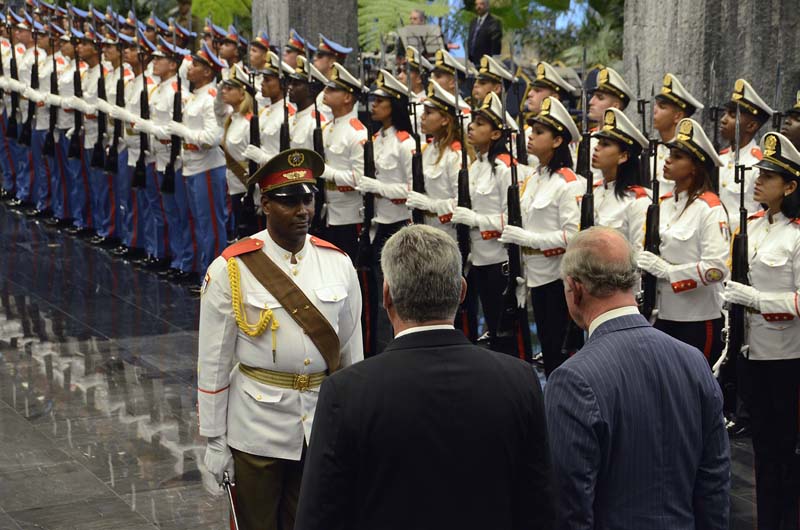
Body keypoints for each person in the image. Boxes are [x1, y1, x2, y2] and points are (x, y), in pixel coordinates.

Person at [295, 224, 553, 530]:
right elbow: (539, 508)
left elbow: (319, 517)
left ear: (386, 295)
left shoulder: (345, 392)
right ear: (462, 291)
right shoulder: (519, 380)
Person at [198, 147, 363, 530]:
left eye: (308, 199)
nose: (303, 210)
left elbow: (352, 353)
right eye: (290, 202)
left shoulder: (338, 263)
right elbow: (213, 361)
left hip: (320, 422)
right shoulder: (231, 268)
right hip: (256, 422)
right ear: (265, 204)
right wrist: (214, 440)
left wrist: (354, 427)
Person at [546, 226, 730, 530]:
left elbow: (569, 505)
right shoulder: (693, 360)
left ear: (575, 288)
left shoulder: (573, 378)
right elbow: (714, 483)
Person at [722, 132, 800, 530]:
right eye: (760, 173)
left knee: (786, 450)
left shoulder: (797, 235)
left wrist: (757, 300)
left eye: (770, 175)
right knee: (761, 450)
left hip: (788, 356)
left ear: (790, 186)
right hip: (752, 352)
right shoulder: (751, 226)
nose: (759, 180)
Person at [498, 96, 580, 376]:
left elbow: (573, 236)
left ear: (558, 141)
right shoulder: (534, 178)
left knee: (558, 349)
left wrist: (528, 239)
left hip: (557, 278)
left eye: (539, 132)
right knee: (542, 346)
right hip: (531, 274)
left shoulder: (568, 183)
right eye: (531, 131)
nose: (530, 137)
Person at [637, 118, 729, 366]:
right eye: (670, 154)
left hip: (696, 318)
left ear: (695, 167)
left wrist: (669, 272)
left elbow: (717, 269)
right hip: (660, 314)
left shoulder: (710, 208)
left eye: (678, 157)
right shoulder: (664, 203)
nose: (668, 160)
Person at [356, 69, 415, 353]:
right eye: (373, 100)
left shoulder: (406, 143)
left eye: (381, 101)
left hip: (398, 223)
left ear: (394, 106)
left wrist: (379, 188)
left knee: (393, 297)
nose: (374, 105)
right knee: (375, 296)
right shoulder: (377, 138)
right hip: (375, 225)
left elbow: (412, 192)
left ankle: (392, 350)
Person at [452, 92, 516, 345]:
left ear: (496, 134)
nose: (472, 127)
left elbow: (512, 219)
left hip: (499, 258)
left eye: (480, 124)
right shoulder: (476, 166)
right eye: (473, 122)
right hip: (476, 256)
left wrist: (476, 220)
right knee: (488, 326)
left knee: (503, 331)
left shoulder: (504, 168)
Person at [165, 41, 228, 292]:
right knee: (198, 223)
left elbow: (212, 139)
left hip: (207, 168)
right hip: (191, 166)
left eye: (197, 65)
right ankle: (202, 272)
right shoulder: (195, 95)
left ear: (208, 72)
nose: (190, 68)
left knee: (211, 226)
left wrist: (182, 131)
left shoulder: (211, 98)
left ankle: (214, 281)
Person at [316, 62, 367, 260]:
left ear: (347, 97)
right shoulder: (327, 128)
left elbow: (360, 179)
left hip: (349, 215)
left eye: (333, 89)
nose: (326, 92)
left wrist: (328, 173)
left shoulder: (356, 132)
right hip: (329, 213)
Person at [406, 80, 463, 241]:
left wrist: (430, 205)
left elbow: (462, 203)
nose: (422, 117)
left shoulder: (455, 155)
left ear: (445, 120)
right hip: (424, 230)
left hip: (447, 234)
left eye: (429, 113)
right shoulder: (427, 149)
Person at [590, 108, 651, 249]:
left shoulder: (637, 201)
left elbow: (638, 252)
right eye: (599, 143)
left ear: (623, 156)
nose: (596, 148)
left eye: (605, 144)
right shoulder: (594, 191)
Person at [718, 79, 772, 234]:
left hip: (747, 237)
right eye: (725, 113)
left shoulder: (759, 163)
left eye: (733, 115)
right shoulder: (720, 159)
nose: (723, 119)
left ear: (751, 126)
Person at [652, 73, 703, 195]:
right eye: (656, 105)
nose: (654, 110)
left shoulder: (688, 155)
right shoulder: (652, 151)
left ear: (678, 116)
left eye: (662, 107)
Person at [466, 0, 501, 66]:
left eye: (481, 4)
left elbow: (496, 45)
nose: (478, 7)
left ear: (487, 6)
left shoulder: (494, 22)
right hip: (471, 62)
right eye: (477, 4)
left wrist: (493, 63)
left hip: (486, 62)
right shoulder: (473, 22)